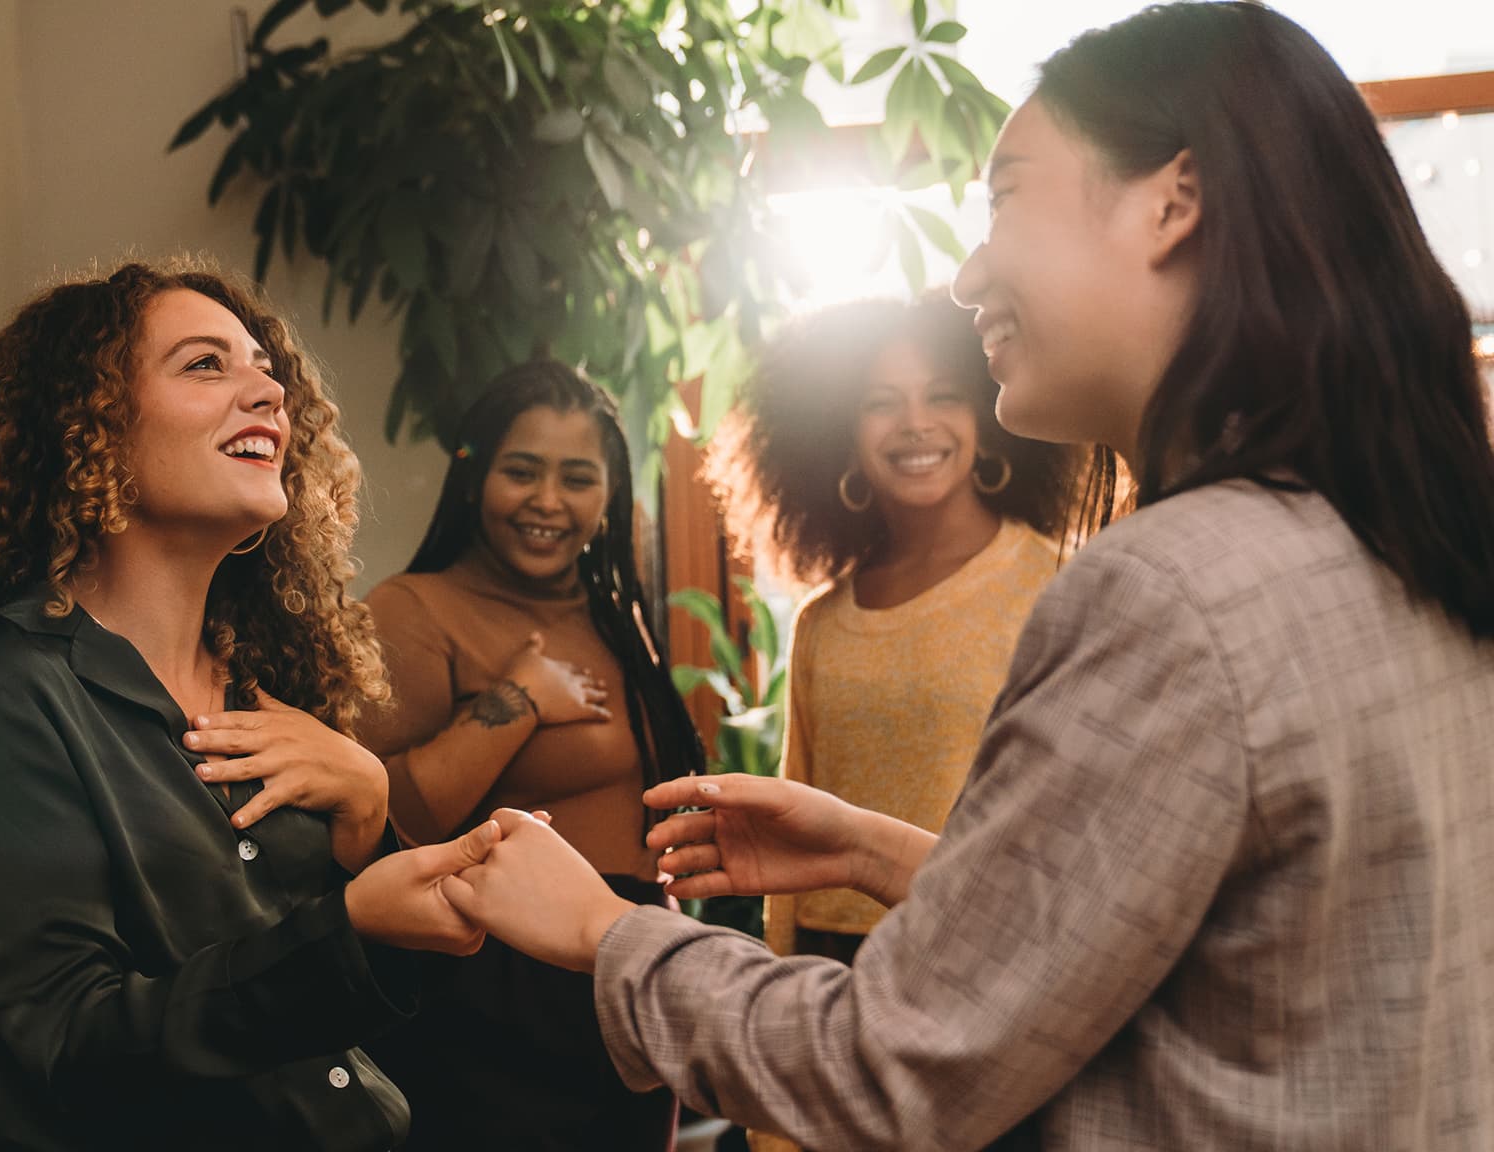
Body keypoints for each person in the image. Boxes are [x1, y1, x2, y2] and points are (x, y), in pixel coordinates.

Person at [441, 4, 1494, 1148]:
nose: (965, 275)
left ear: (1172, 202)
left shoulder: (1167, 591)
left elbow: (894, 1069)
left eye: (1006, 198)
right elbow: (1205, 961)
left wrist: (602, 931)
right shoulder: (1393, 539)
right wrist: (871, 847)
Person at [0, 260, 501, 1151]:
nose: (269, 391)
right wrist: (347, 931)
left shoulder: (266, 684)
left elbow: (369, 1019)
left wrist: (367, 814)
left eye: (265, 370)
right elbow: (73, 1044)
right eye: (205, 365)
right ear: (89, 426)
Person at [324, 360, 702, 1150]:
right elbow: (379, 821)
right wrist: (518, 699)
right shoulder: (413, 608)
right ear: (474, 477)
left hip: (626, 972)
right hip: (491, 995)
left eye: (578, 478)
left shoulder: (616, 615)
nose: (548, 501)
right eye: (522, 471)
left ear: (610, 494)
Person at [703, 293, 1082, 977]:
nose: (915, 424)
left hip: (989, 954)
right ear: (839, 433)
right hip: (834, 962)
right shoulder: (823, 623)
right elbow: (796, 823)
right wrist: (783, 971)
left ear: (986, 415)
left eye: (943, 396)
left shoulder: (1057, 583)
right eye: (882, 403)